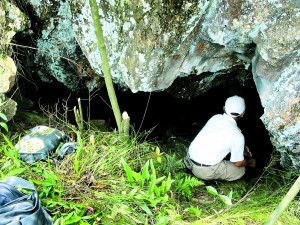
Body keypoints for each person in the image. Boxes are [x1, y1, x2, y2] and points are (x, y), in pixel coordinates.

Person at [184, 95, 256, 181]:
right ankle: (212, 179)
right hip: (202, 170)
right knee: (240, 170)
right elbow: (238, 163)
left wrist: (242, 148)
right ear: (243, 114)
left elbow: (221, 137)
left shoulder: (215, 117)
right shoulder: (238, 136)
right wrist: (250, 162)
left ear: (224, 108)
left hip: (188, 160)